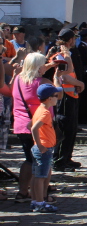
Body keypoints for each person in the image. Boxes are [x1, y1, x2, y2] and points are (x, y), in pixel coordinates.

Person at [12, 53, 63, 203]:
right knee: (44, 163)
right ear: (38, 66)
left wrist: (49, 65)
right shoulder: (43, 82)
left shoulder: (18, 79)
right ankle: (43, 196)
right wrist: (57, 77)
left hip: (22, 124)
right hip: (41, 127)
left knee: (29, 160)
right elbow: (58, 95)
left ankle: (22, 192)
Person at [48, 29, 86, 172]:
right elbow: (63, 76)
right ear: (69, 40)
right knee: (65, 129)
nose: (75, 40)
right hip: (64, 98)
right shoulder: (60, 56)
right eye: (73, 38)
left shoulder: (65, 55)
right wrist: (79, 83)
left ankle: (67, 157)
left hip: (71, 96)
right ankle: (59, 160)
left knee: (71, 130)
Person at [29, 84, 64, 213]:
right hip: (43, 148)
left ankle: (34, 201)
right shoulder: (45, 113)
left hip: (39, 147)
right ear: (49, 98)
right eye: (55, 96)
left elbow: (30, 125)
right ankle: (39, 203)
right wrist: (40, 144)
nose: (57, 98)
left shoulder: (39, 110)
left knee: (36, 175)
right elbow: (33, 128)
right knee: (41, 177)